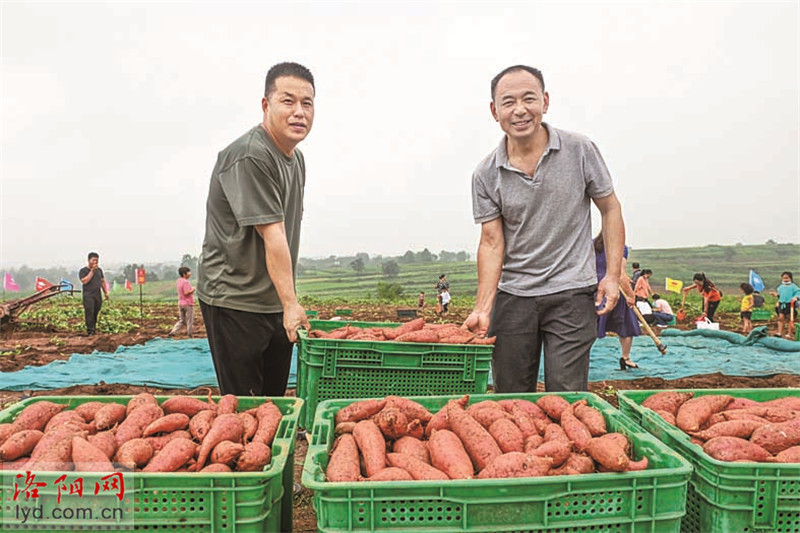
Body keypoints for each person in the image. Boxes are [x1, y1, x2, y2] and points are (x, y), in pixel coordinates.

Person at [465, 65, 626, 393]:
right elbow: (492, 242)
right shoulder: (485, 174)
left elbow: (609, 208)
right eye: (508, 102)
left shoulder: (579, 150)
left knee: (566, 394)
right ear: (495, 111)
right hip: (513, 296)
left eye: (529, 98)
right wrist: (483, 308)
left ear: (546, 101)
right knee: (511, 396)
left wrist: (611, 275)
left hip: (571, 293)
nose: (520, 110)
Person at [196, 62, 314, 397]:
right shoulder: (251, 155)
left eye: (307, 103)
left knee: (273, 402)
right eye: (287, 101)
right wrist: (292, 304)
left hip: (273, 300)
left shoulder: (296, 159)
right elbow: (274, 235)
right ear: (266, 105)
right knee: (247, 408)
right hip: (235, 298)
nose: (299, 112)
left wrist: (286, 302)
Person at [594, 234, 641, 370]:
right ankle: (625, 358)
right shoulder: (620, 247)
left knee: (589, 326)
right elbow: (620, 274)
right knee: (626, 325)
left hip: (593, 289)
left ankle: (578, 358)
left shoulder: (591, 244)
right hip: (612, 289)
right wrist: (631, 296)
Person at [78, 252, 109, 335]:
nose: (95, 262)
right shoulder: (83, 271)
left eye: (97, 260)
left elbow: (102, 281)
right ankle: (90, 330)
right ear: (88, 260)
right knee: (89, 312)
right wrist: (92, 271)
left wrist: (106, 292)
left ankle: (93, 328)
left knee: (96, 311)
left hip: (97, 294)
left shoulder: (99, 270)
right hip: (88, 295)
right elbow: (84, 281)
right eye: (93, 260)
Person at [769, 271, 800, 338]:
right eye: (784, 278)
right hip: (782, 304)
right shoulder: (780, 287)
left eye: (787, 278)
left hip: (790, 304)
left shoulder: (794, 287)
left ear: (790, 279)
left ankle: (789, 333)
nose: (785, 280)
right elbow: (780, 295)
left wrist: (796, 298)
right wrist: (776, 295)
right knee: (780, 318)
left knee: (790, 319)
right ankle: (779, 332)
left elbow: (798, 293)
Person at [169, 267, 195, 337]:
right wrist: (192, 289)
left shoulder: (179, 281)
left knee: (182, 320)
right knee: (190, 320)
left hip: (181, 303)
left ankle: (173, 332)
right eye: (188, 272)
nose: (190, 274)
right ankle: (190, 334)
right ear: (184, 274)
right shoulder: (185, 282)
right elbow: (186, 293)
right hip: (188, 303)